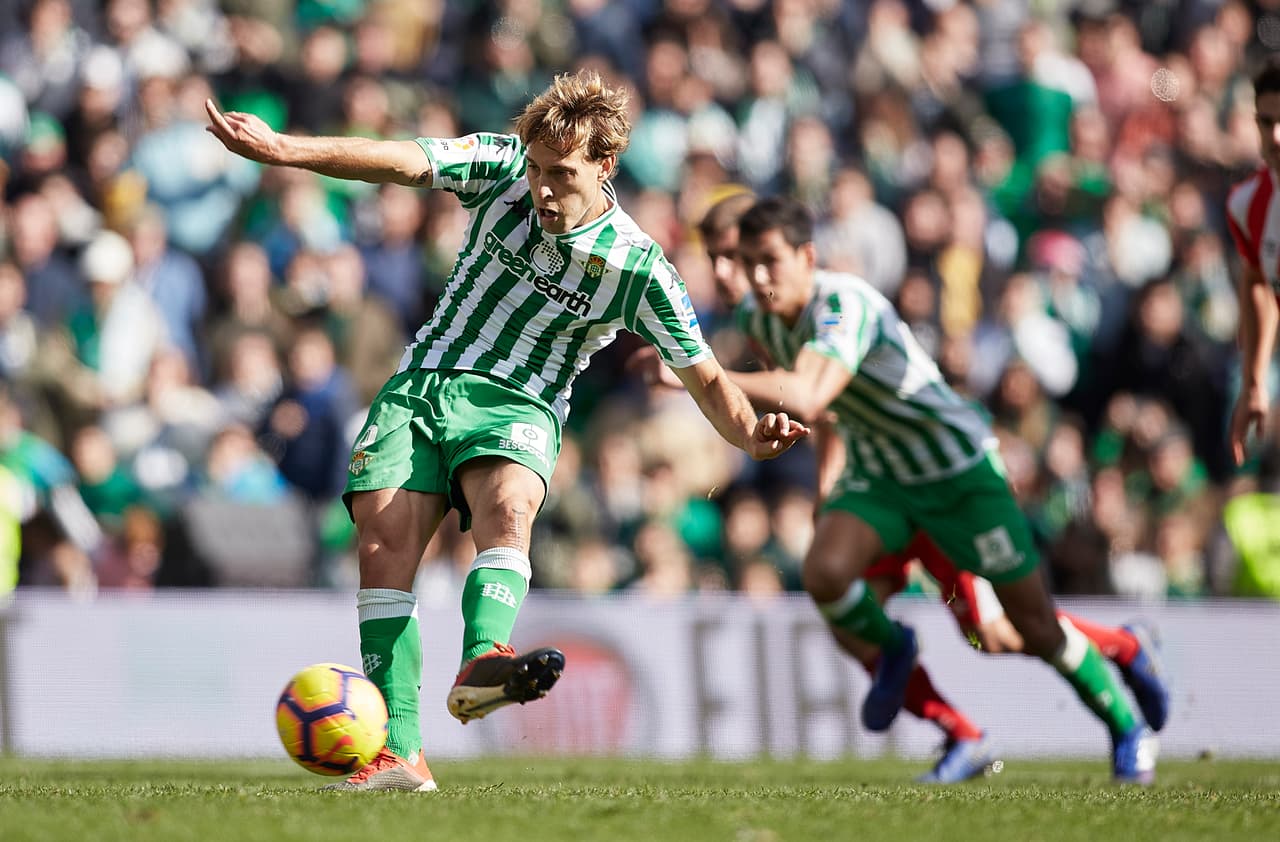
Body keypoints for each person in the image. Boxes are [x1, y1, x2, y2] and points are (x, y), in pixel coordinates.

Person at [204, 70, 809, 792]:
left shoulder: (640, 269)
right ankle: (400, 752)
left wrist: (747, 432)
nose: (544, 190)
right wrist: (285, 152)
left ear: (605, 165)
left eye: (561, 175)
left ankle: (486, 658)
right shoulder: (501, 167)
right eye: (538, 171)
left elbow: (705, 374)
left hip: (521, 402)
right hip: (424, 384)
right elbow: (400, 159)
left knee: (509, 507)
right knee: (381, 546)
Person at [686, 193, 1168, 783]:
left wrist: (698, 373)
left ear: (804, 256)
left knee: (1012, 628)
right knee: (826, 574)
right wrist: (829, 489)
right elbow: (829, 409)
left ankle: (1123, 704)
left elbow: (811, 393)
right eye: (728, 261)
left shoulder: (845, 304)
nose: (742, 276)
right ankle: (939, 706)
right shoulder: (759, 321)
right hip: (883, 480)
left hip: (957, 480)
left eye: (753, 259)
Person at [1227, 57, 1280, 468]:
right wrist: (1254, 381)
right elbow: (1259, 281)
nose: (1276, 136)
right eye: (1265, 122)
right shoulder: (1248, 205)